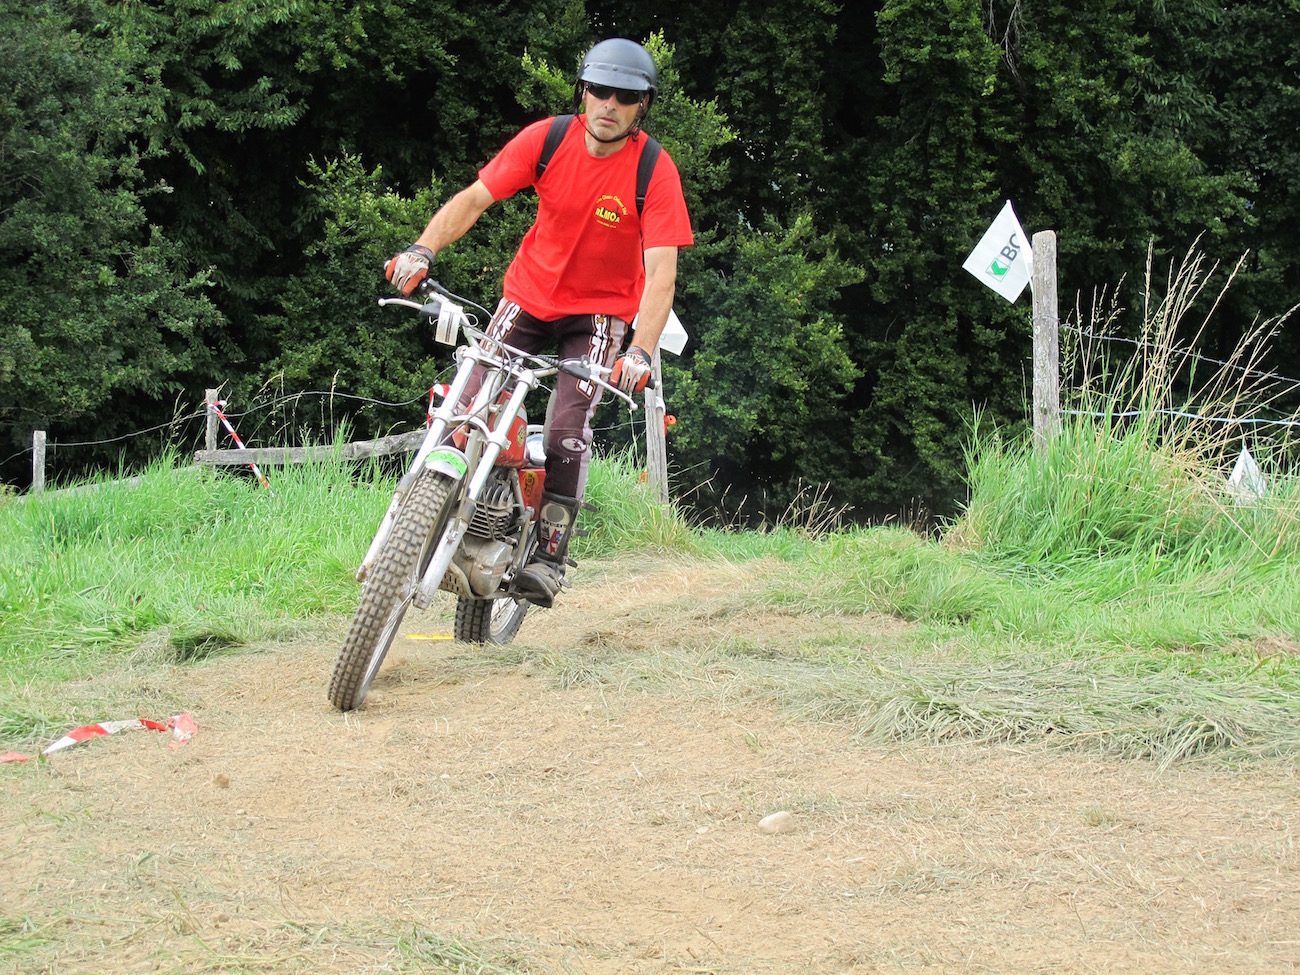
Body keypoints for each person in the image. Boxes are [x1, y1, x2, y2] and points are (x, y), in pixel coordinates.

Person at [385, 37, 694, 607]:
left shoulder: (654, 169)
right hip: (527, 297)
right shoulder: (548, 139)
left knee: (565, 428)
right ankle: (434, 517)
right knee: (465, 404)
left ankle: (549, 553)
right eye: (599, 90)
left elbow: (661, 275)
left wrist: (641, 353)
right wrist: (421, 250)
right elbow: (475, 198)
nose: (609, 103)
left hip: (598, 314)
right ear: (583, 92)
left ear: (641, 106)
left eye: (624, 96)